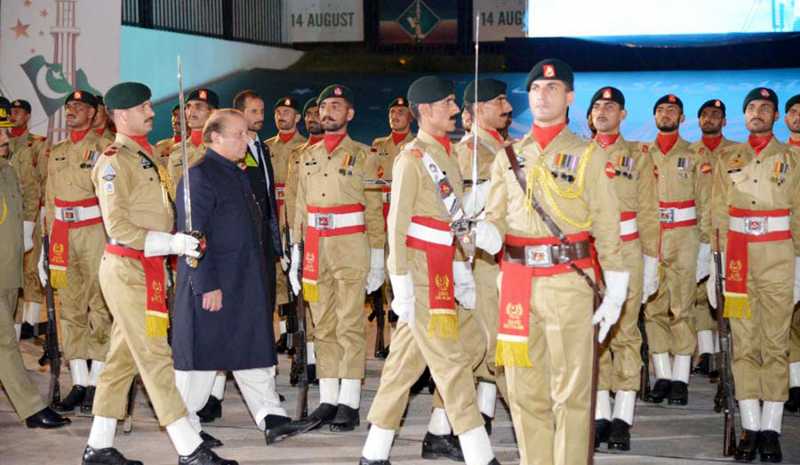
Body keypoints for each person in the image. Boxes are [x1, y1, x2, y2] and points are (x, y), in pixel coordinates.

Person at [473, 58, 628, 465]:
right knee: (524, 391)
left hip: (569, 281)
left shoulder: (588, 155)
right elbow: (495, 216)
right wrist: (485, 232)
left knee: (571, 392)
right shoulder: (508, 156)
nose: (543, 95)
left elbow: (609, 229)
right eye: (537, 90)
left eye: (553, 88)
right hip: (517, 283)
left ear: (569, 97)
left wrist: (616, 294)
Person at [84, 81, 236, 465]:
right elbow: (118, 228)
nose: (152, 112)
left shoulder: (143, 155)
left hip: (147, 268)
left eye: (151, 105)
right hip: (127, 269)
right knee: (154, 356)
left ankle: (98, 445)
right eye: (144, 107)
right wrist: (172, 244)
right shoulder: (115, 161)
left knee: (123, 358)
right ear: (121, 115)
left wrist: (178, 239)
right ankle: (188, 447)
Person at [359, 75, 498, 465]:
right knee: (451, 364)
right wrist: (400, 282)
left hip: (444, 267)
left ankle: (374, 452)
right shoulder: (412, 158)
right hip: (420, 275)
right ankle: (478, 453)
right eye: (449, 103)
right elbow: (397, 224)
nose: (456, 110)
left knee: (409, 364)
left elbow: (449, 219)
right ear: (426, 111)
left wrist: (462, 270)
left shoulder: (447, 153)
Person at [173, 108, 294, 448]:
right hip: (213, 282)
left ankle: (272, 417)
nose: (247, 140)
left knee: (250, 345)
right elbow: (191, 236)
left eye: (247, 133)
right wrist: (206, 283)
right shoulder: (199, 176)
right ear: (215, 138)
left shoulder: (236, 173)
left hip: (242, 279)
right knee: (201, 360)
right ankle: (186, 426)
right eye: (239, 134)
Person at [708, 87, 799, 463]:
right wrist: (711, 264)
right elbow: (716, 212)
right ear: (744, 116)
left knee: (775, 342)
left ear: (775, 116)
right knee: (743, 344)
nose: (757, 113)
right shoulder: (728, 157)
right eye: (751, 108)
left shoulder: (792, 159)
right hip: (738, 259)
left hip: (778, 255)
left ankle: (772, 429)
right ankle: (749, 426)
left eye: (765, 108)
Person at [287, 84, 384, 432]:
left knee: (350, 323)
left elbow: (373, 209)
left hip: (350, 245)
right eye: (324, 105)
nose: (328, 111)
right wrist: (295, 252)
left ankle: (350, 400)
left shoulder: (364, 155)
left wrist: (377, 257)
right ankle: (328, 397)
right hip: (315, 247)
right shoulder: (306, 156)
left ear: (350, 114)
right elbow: (298, 207)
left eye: (336, 106)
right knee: (321, 324)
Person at [587, 87, 658, 451]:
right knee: (594, 334)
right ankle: (599, 413)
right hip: (589, 253)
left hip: (627, 249)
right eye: (597, 106)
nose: (602, 112)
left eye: (610, 107)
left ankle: (623, 417)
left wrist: (651, 259)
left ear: (623, 115)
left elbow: (648, 210)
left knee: (627, 333)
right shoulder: (580, 153)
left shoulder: (638, 157)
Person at [40, 90, 113, 416]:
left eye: (79, 106)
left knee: (99, 306)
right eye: (69, 106)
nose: (72, 111)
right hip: (62, 235)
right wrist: (45, 245)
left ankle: (98, 381)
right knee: (69, 307)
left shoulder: (105, 150)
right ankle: (79, 382)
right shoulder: (55, 152)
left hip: (95, 232)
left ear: (95, 113)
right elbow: (50, 199)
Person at [0, 97, 70, 430]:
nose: (5, 139)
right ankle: (31, 408)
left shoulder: (8, 172)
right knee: (4, 343)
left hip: (8, 273)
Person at [642, 93, 710, 406]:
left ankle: (681, 378)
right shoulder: (643, 153)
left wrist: (707, 246)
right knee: (654, 307)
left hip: (685, 235)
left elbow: (707, 201)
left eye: (672, 110)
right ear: (654, 116)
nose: (666, 113)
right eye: (661, 109)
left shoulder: (695, 155)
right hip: (654, 235)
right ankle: (663, 375)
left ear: (682, 118)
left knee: (682, 306)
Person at [455, 78, 512, 433]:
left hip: (500, 257)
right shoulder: (470, 152)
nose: (506, 106)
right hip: (479, 259)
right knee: (484, 342)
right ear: (477, 109)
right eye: (498, 100)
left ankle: (482, 414)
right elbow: (460, 211)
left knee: (487, 341)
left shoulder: (502, 149)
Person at [688, 99, 737, 377]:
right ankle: (706, 352)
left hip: (726, 232)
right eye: (705, 115)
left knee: (726, 292)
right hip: (693, 231)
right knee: (696, 294)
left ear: (725, 121)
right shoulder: (690, 153)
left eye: (716, 115)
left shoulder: (737, 153)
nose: (710, 119)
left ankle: (725, 351)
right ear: (699, 121)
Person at [284, 96, 323, 384]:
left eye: (315, 113)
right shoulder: (298, 154)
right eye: (308, 114)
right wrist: (291, 240)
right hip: (302, 236)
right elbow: (293, 200)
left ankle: (325, 362)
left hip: (331, 238)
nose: (312, 118)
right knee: (302, 304)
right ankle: (307, 360)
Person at [265, 96, 307, 353]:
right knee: (276, 277)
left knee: (295, 275)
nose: (282, 116)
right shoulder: (266, 146)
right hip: (273, 212)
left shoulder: (305, 147)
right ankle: (282, 334)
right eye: (278, 111)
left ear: (298, 118)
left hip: (293, 212)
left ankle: (296, 333)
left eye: (288, 112)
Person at [6, 98, 44, 338]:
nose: (13, 115)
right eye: (11, 111)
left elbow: (40, 181)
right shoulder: (5, 142)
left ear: (28, 115)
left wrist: (34, 219)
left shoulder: (37, 144)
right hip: (8, 215)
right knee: (14, 271)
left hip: (32, 214)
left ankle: (31, 323)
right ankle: (16, 326)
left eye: (18, 111)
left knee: (31, 269)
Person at [167, 88, 218, 200]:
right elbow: (172, 194)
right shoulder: (176, 152)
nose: (191, 111)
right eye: (188, 106)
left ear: (213, 112)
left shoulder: (223, 147)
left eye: (199, 106)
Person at [785, 94, 800, 413]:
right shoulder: (779, 157)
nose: (798, 117)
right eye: (794, 112)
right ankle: (796, 383)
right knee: (788, 323)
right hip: (787, 248)